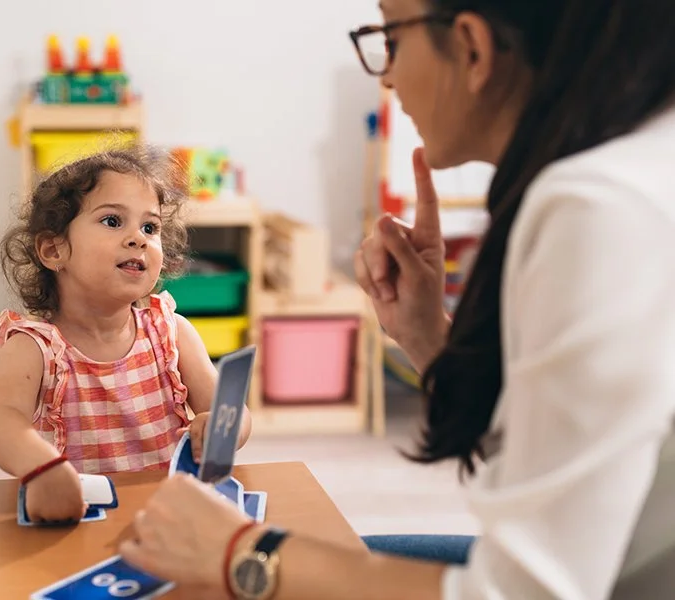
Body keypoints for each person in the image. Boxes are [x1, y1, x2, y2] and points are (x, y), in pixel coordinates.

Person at [118, 0, 675, 597]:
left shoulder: (598, 207)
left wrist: (241, 554)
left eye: (390, 37)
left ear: (472, 48)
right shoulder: (628, 167)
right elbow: (547, 463)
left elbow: (523, 591)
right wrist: (427, 335)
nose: (384, 75)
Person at [0, 147, 252, 524]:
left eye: (150, 227)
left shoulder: (171, 331)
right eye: (112, 221)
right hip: (79, 521)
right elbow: (3, 422)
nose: (138, 239)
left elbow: (233, 413)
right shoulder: (34, 346)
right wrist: (41, 468)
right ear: (53, 249)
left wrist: (222, 428)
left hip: (167, 521)